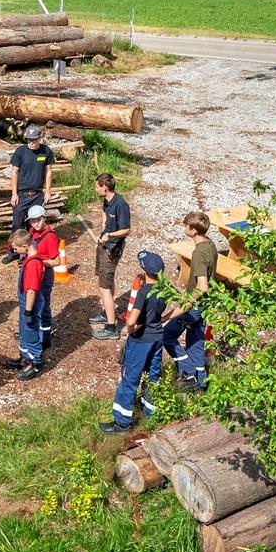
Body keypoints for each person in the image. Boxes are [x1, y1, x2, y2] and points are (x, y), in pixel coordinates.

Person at [100, 251, 167, 435]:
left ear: (144, 270)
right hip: (157, 337)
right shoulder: (164, 289)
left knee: (129, 379)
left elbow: (131, 321)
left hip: (141, 340)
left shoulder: (144, 292)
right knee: (153, 376)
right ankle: (151, 414)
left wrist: (131, 330)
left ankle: (122, 423)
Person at [162, 211, 216, 391]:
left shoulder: (199, 253)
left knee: (167, 335)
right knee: (196, 343)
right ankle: (201, 385)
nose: (185, 228)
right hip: (206, 304)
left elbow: (202, 286)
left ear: (193, 230)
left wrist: (181, 308)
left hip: (195, 305)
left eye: (186, 225)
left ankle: (188, 370)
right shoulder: (210, 245)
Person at [2, 125, 55, 264]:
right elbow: (14, 172)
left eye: (34, 140)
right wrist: (14, 193)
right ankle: (14, 252)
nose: (31, 142)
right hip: (22, 194)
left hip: (37, 194)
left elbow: (49, 170)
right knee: (18, 224)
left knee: (36, 224)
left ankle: (31, 253)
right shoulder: (20, 151)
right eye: (29, 140)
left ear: (39, 139)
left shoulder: (46, 151)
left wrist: (48, 190)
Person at [90, 173, 132, 340]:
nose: (95, 189)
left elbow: (127, 230)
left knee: (104, 287)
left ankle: (111, 327)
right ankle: (109, 312)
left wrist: (110, 235)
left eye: (97, 186)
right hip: (104, 244)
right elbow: (104, 212)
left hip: (112, 249)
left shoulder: (121, 204)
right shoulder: (107, 200)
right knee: (106, 280)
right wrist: (103, 226)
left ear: (104, 188)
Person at [4, 229, 45, 380]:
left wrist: (28, 312)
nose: (14, 251)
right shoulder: (27, 259)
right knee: (23, 331)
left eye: (16, 248)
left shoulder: (33, 264)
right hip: (25, 304)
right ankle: (25, 358)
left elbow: (31, 291)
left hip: (31, 305)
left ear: (25, 246)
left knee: (30, 332)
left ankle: (36, 362)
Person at [26, 204, 60, 349]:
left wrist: (39, 262)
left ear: (44, 218)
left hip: (45, 275)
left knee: (44, 305)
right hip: (34, 272)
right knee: (33, 304)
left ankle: (45, 337)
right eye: (32, 221)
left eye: (38, 220)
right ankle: (33, 331)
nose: (35, 224)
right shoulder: (32, 231)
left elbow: (57, 261)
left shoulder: (50, 237)